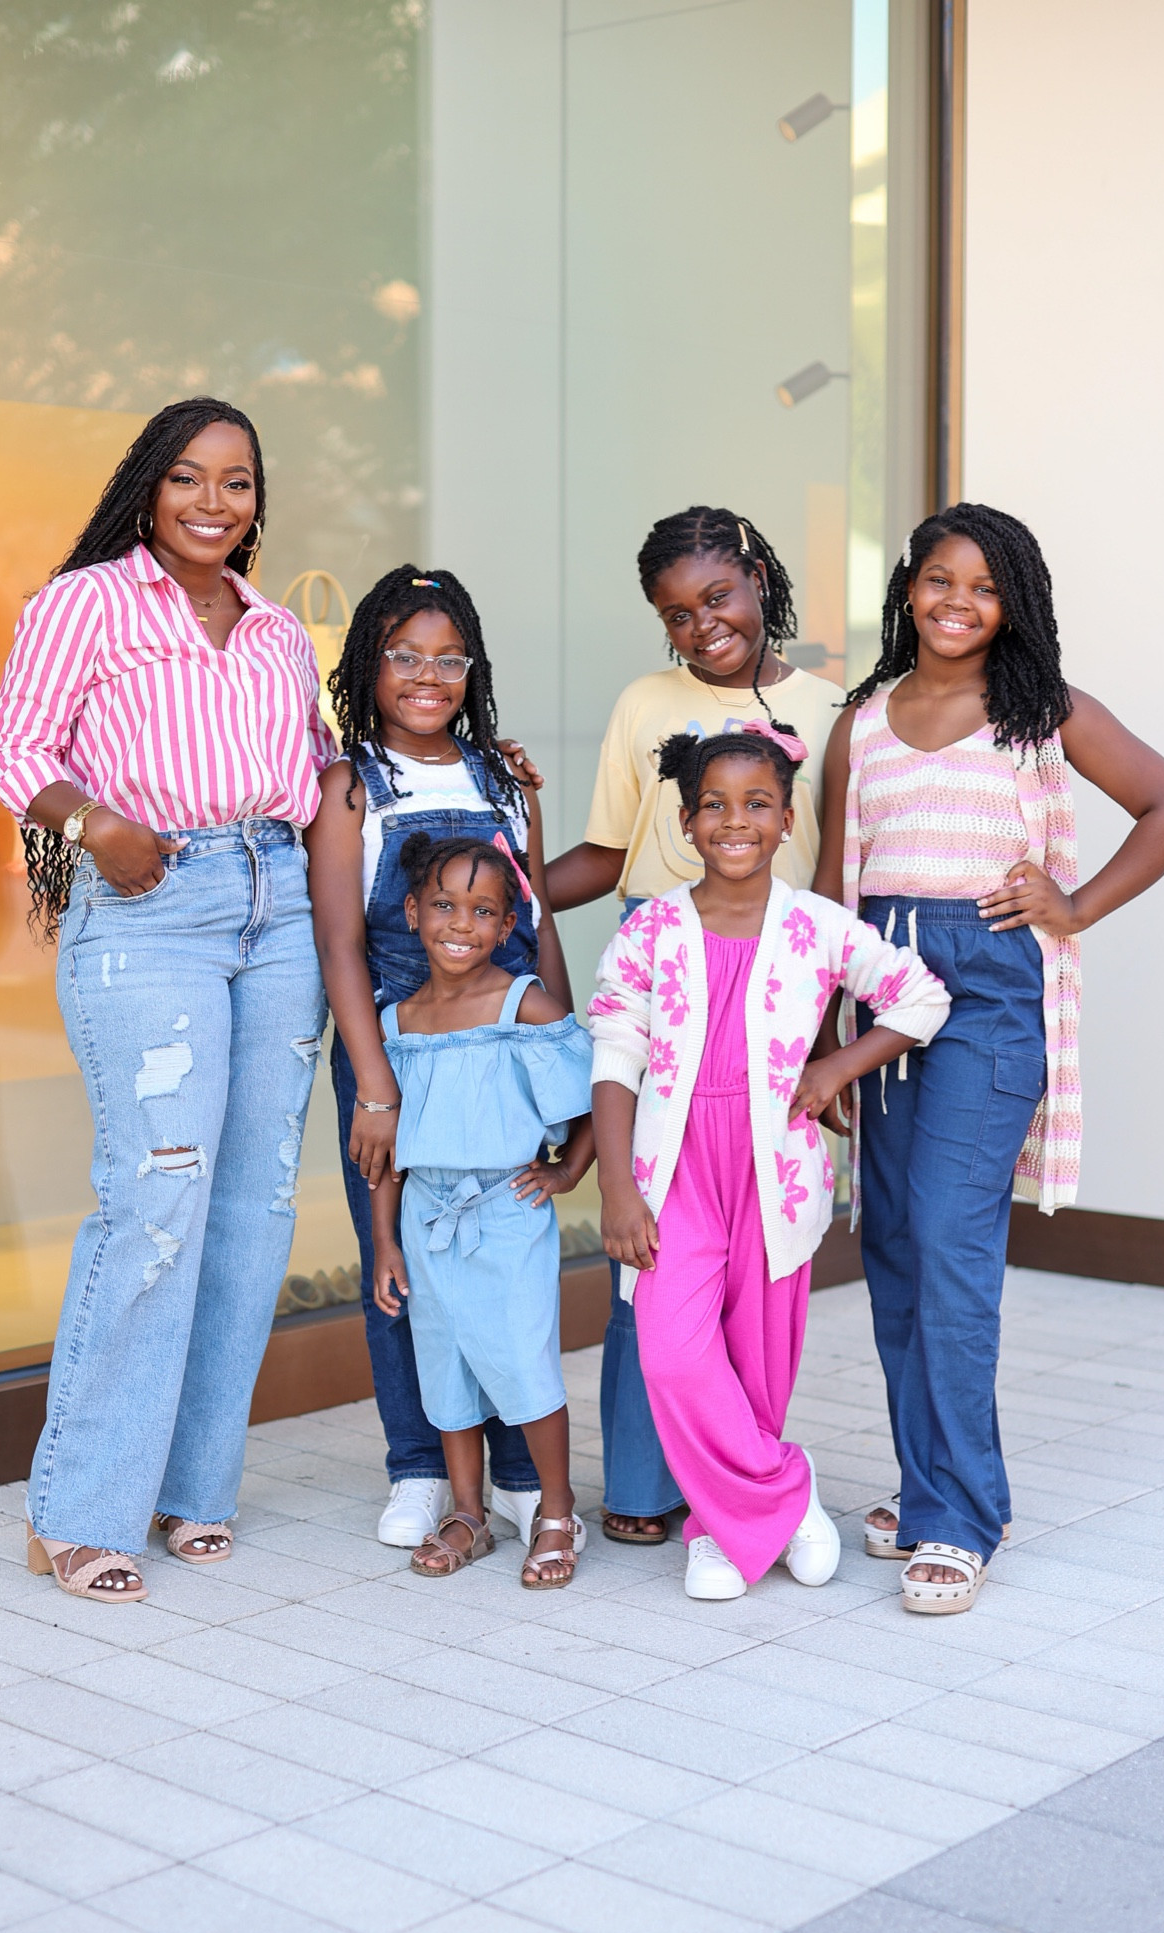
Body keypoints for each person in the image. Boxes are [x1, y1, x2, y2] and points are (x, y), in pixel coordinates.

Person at [814, 503, 1164, 1614]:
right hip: (881, 984)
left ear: (1012, 604)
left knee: (947, 1240)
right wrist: (817, 1037)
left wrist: (1072, 902)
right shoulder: (863, 720)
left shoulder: (1044, 712)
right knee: (892, 1241)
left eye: (982, 586)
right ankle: (922, 1478)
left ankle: (957, 1514)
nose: (955, 601)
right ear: (906, 589)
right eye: (938, 578)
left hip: (987, 992)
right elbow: (829, 890)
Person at [0, 396, 333, 1603]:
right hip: (151, 903)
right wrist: (98, 826)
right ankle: (78, 1508)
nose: (211, 503)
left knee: (252, 1206)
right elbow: (14, 749)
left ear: (255, 500)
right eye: (188, 478)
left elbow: (316, 763)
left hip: (277, 903)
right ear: (149, 485)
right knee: (156, 1196)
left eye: (235, 483)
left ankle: (195, 1485)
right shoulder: (85, 602)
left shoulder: (280, 629)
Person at [588, 725, 950, 1600]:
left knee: (757, 1358)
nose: (735, 821)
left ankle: (720, 1526)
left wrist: (834, 1067)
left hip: (774, 1172)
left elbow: (923, 996)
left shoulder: (820, 927)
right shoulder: (651, 930)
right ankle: (785, 1493)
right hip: (672, 1171)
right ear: (685, 822)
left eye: (756, 804)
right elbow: (612, 1051)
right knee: (671, 1351)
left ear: (787, 821)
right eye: (714, 805)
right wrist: (616, 1188)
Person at [546, 505, 842, 1544]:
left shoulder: (828, 705)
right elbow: (604, 849)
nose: (701, 625)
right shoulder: (644, 703)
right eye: (676, 614)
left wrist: (827, 1033)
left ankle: (743, 1477)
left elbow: (838, 875)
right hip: (658, 972)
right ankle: (639, 1483)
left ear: (758, 576)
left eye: (716, 596)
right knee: (652, 1241)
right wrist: (505, 890)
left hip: (772, 987)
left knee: (747, 1255)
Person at [305, 567, 572, 1551]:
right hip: (397, 1064)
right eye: (405, 655)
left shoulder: (503, 779)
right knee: (405, 1262)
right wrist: (373, 1085)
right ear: (371, 664)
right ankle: (418, 1461)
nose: (427, 674)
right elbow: (339, 942)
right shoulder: (349, 782)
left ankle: (511, 1472)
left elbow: (536, 925)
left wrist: (562, 1068)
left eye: (447, 657)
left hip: (498, 1066)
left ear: (473, 667)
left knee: (501, 1264)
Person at [370, 833, 595, 1587]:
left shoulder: (521, 1004)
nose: (460, 923)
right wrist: (386, 1245)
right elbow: (387, 1153)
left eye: (482, 910)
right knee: (448, 1367)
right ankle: (468, 1511)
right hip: (427, 1219)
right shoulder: (396, 1024)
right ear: (411, 912)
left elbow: (596, 1089)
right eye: (443, 905)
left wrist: (569, 1172)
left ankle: (557, 1511)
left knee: (523, 1360)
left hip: (506, 1210)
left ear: (506, 925)